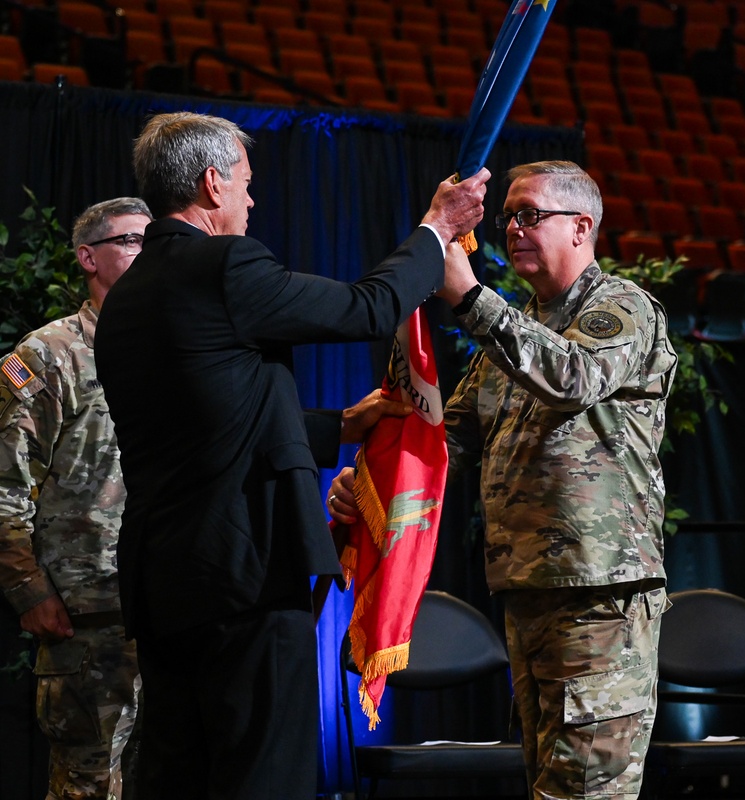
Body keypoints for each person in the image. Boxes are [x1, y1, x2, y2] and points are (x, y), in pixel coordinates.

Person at [92, 111, 488, 800]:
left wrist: (340, 426)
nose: (252, 200)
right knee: (263, 776)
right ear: (213, 184)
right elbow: (367, 309)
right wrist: (436, 228)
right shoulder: (224, 265)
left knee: (177, 777)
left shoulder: (125, 300)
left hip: (164, 582)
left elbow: (206, 424)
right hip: (244, 577)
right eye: (246, 185)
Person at [329, 160, 677, 799]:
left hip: (598, 592)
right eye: (509, 215)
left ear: (581, 227)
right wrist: (368, 481)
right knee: (546, 782)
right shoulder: (516, 330)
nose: (513, 228)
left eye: (531, 215)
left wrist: (468, 297)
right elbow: (446, 437)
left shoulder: (620, 307)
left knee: (587, 789)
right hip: (529, 588)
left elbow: (574, 379)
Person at [0, 197, 152, 800]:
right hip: (86, 617)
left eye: (153, 241)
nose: (146, 253)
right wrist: (27, 590)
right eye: (131, 241)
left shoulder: (174, 349)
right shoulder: (48, 355)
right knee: (87, 788)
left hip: (164, 608)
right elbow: (6, 484)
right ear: (89, 258)